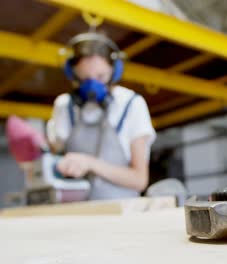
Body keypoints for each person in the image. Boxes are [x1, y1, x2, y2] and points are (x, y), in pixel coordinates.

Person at [47, 32, 156, 200]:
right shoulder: (64, 106)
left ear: (114, 72)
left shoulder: (131, 104)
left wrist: (90, 163)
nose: (92, 85)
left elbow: (140, 180)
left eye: (100, 77)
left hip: (121, 213)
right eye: (84, 78)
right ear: (73, 74)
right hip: (74, 213)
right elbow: (55, 158)